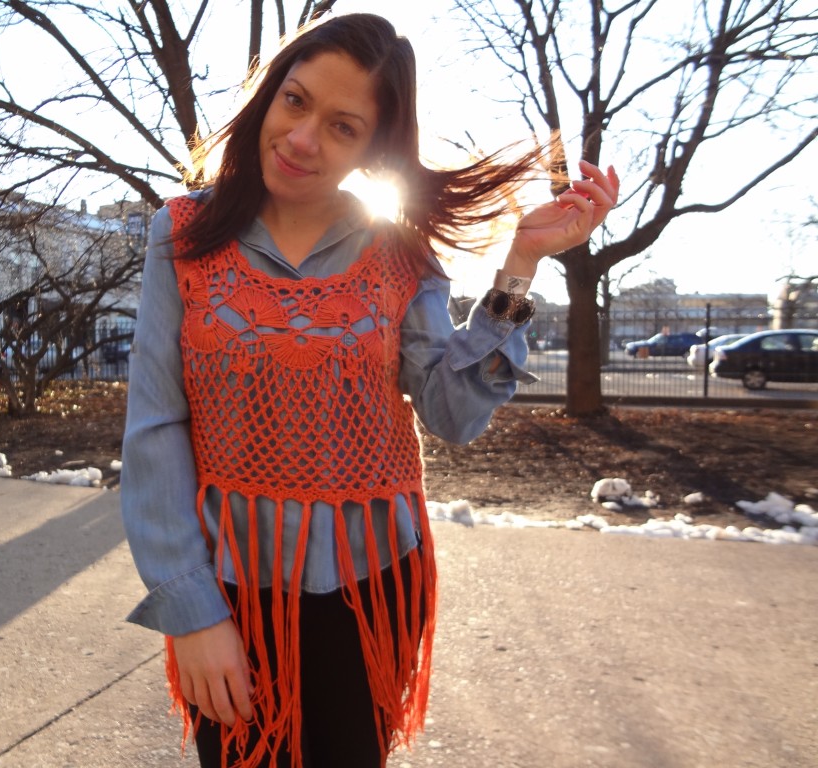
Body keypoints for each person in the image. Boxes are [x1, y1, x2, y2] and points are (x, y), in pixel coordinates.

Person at [120, 12, 619, 768]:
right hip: (233, 589)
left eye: (343, 126)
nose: (303, 138)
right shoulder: (182, 234)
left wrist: (522, 262)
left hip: (375, 586)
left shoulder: (398, 251)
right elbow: (156, 426)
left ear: (373, 147)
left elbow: (452, 414)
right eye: (295, 101)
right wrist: (190, 613)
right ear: (269, 97)